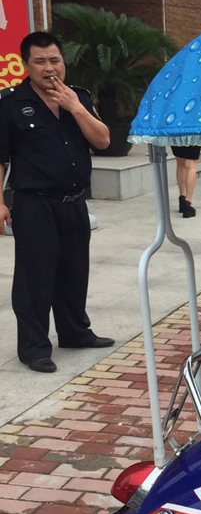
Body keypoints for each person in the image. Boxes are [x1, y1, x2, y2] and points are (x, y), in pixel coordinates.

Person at [0, 31, 115, 373]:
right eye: (40, 61)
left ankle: (75, 332)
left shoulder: (78, 97)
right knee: (35, 277)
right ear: (26, 65)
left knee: (74, 271)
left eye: (55, 60)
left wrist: (75, 107)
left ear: (63, 62)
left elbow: (104, 140)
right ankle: (34, 347)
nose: (49, 68)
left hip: (74, 202)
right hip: (34, 204)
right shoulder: (9, 103)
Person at [170, 145, 201, 217]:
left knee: (180, 163)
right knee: (191, 166)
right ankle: (188, 202)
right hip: (192, 135)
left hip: (177, 135)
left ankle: (182, 198)